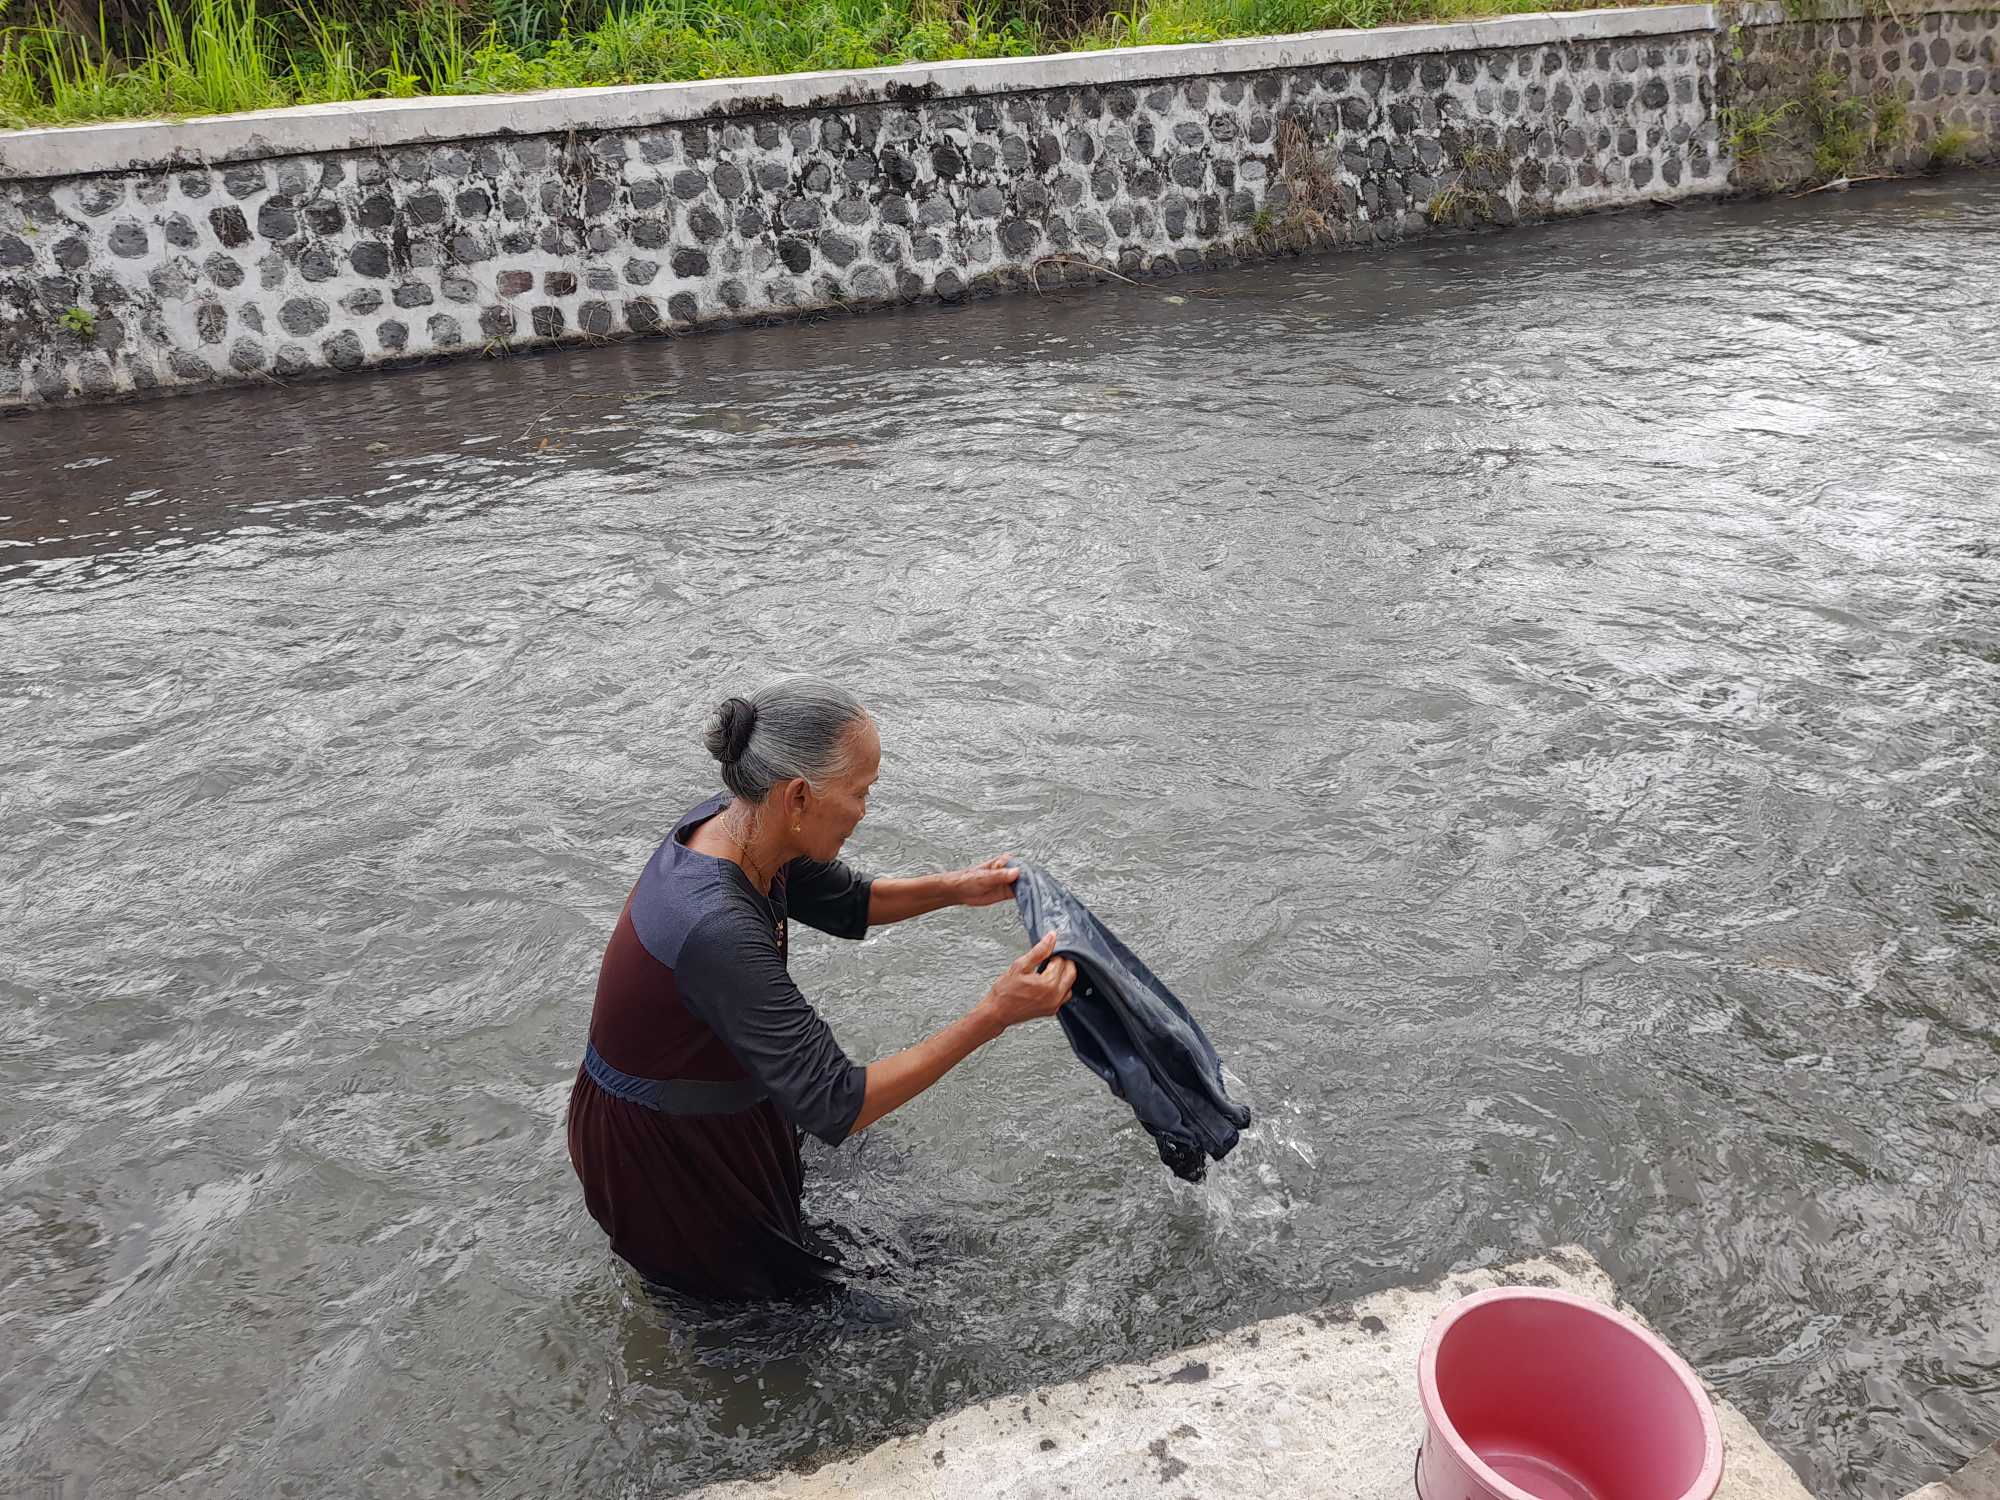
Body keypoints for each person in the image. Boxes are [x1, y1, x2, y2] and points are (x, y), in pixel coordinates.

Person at [566, 677, 1077, 1299]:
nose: (865, 811)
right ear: (799, 796)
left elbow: (847, 903)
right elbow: (836, 1102)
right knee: (777, 1320)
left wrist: (954, 888)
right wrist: (995, 1014)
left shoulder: (744, 825)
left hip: (714, 1098)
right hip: (662, 1153)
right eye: (861, 792)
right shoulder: (716, 925)